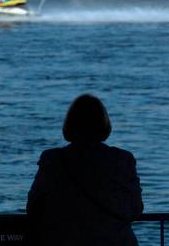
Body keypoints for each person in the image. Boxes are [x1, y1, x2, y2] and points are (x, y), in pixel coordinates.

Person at [27, 94, 143, 246]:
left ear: (70, 124)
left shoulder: (53, 159)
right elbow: (135, 209)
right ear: (103, 123)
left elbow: (34, 207)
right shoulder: (122, 159)